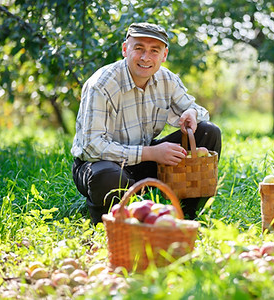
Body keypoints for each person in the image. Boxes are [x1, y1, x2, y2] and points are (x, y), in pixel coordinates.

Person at [71, 22, 221, 224]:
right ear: (125, 49)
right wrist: (151, 153)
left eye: (154, 51)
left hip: (146, 160)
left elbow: (197, 111)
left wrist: (191, 113)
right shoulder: (102, 84)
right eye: (139, 48)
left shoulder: (167, 79)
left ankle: (187, 214)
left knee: (207, 132)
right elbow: (91, 147)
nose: (145, 57)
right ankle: (110, 222)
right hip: (102, 165)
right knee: (108, 176)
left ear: (164, 55)